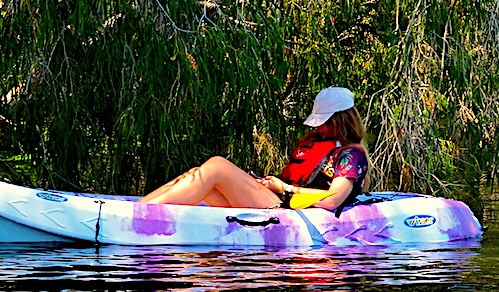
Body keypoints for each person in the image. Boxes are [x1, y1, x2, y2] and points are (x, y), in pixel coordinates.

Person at [139, 87, 369, 212]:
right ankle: (135, 209)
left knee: (217, 166)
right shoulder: (315, 143)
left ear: (342, 121)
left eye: (325, 122)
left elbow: (332, 200)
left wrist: (284, 188)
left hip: (288, 209)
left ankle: (140, 215)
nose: (319, 126)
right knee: (196, 173)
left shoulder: (351, 155)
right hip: (278, 198)